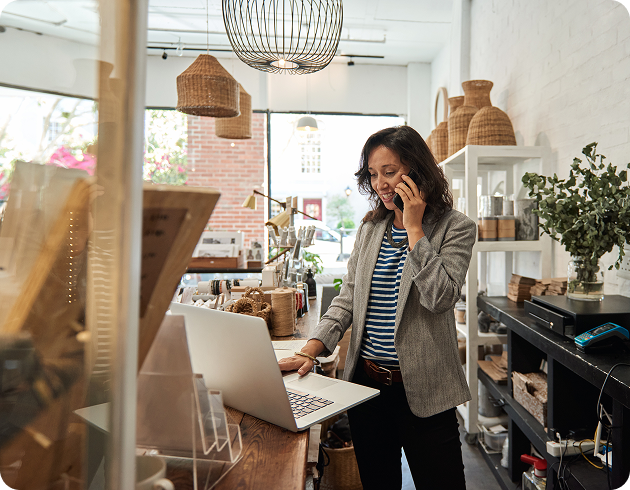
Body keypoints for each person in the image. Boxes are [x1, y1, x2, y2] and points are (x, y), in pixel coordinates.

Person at [279, 125, 476, 489]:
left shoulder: (456, 227)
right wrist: (312, 347)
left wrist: (415, 230)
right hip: (367, 390)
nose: (381, 184)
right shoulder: (371, 229)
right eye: (373, 174)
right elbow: (347, 299)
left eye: (389, 171)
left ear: (417, 171)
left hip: (427, 391)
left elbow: (441, 298)